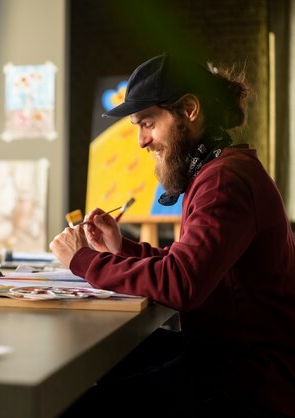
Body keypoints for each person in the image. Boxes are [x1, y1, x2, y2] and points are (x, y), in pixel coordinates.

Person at [50, 53, 295, 418]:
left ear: (190, 110)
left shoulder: (223, 182)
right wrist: (121, 248)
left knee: (72, 406)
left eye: (147, 123)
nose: (141, 141)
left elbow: (182, 282)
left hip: (244, 383)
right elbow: (187, 260)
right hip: (228, 359)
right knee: (113, 364)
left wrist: (83, 260)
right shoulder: (220, 169)